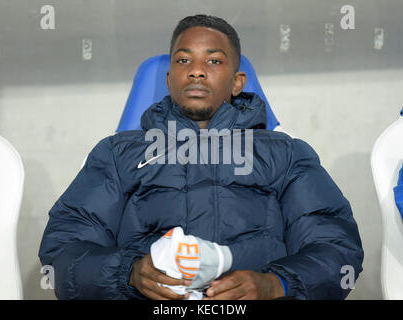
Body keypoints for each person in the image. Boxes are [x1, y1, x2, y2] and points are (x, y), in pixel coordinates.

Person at [38, 14, 364, 300]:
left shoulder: (286, 154)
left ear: (237, 83)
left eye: (213, 61)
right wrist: (128, 274)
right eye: (183, 61)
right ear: (169, 80)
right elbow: (64, 251)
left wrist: (275, 284)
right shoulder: (117, 154)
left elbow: (337, 251)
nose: (196, 71)